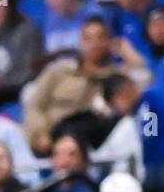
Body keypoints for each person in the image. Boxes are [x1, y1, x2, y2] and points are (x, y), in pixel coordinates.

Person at [23, 15, 143, 156]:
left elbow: (144, 92)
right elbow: (35, 105)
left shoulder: (117, 77)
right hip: (51, 143)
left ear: (109, 41)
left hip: (96, 149)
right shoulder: (59, 71)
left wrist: (133, 57)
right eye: (88, 38)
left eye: (100, 37)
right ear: (80, 41)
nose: (94, 44)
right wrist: (39, 135)